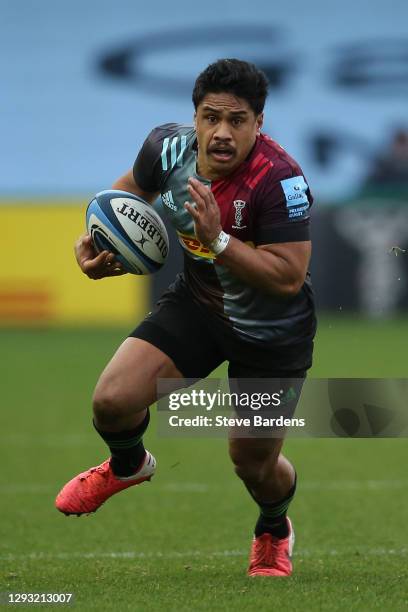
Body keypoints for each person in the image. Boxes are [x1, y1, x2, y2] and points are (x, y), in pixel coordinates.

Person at [55, 58, 316, 577]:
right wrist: (103, 247)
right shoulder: (165, 149)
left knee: (253, 466)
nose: (221, 132)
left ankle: (273, 528)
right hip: (197, 305)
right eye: (210, 116)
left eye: (237, 120)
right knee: (111, 401)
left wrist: (219, 240)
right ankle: (129, 466)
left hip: (270, 335)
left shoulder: (280, 179)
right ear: (193, 116)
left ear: (259, 124)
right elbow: (128, 194)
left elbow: (288, 276)